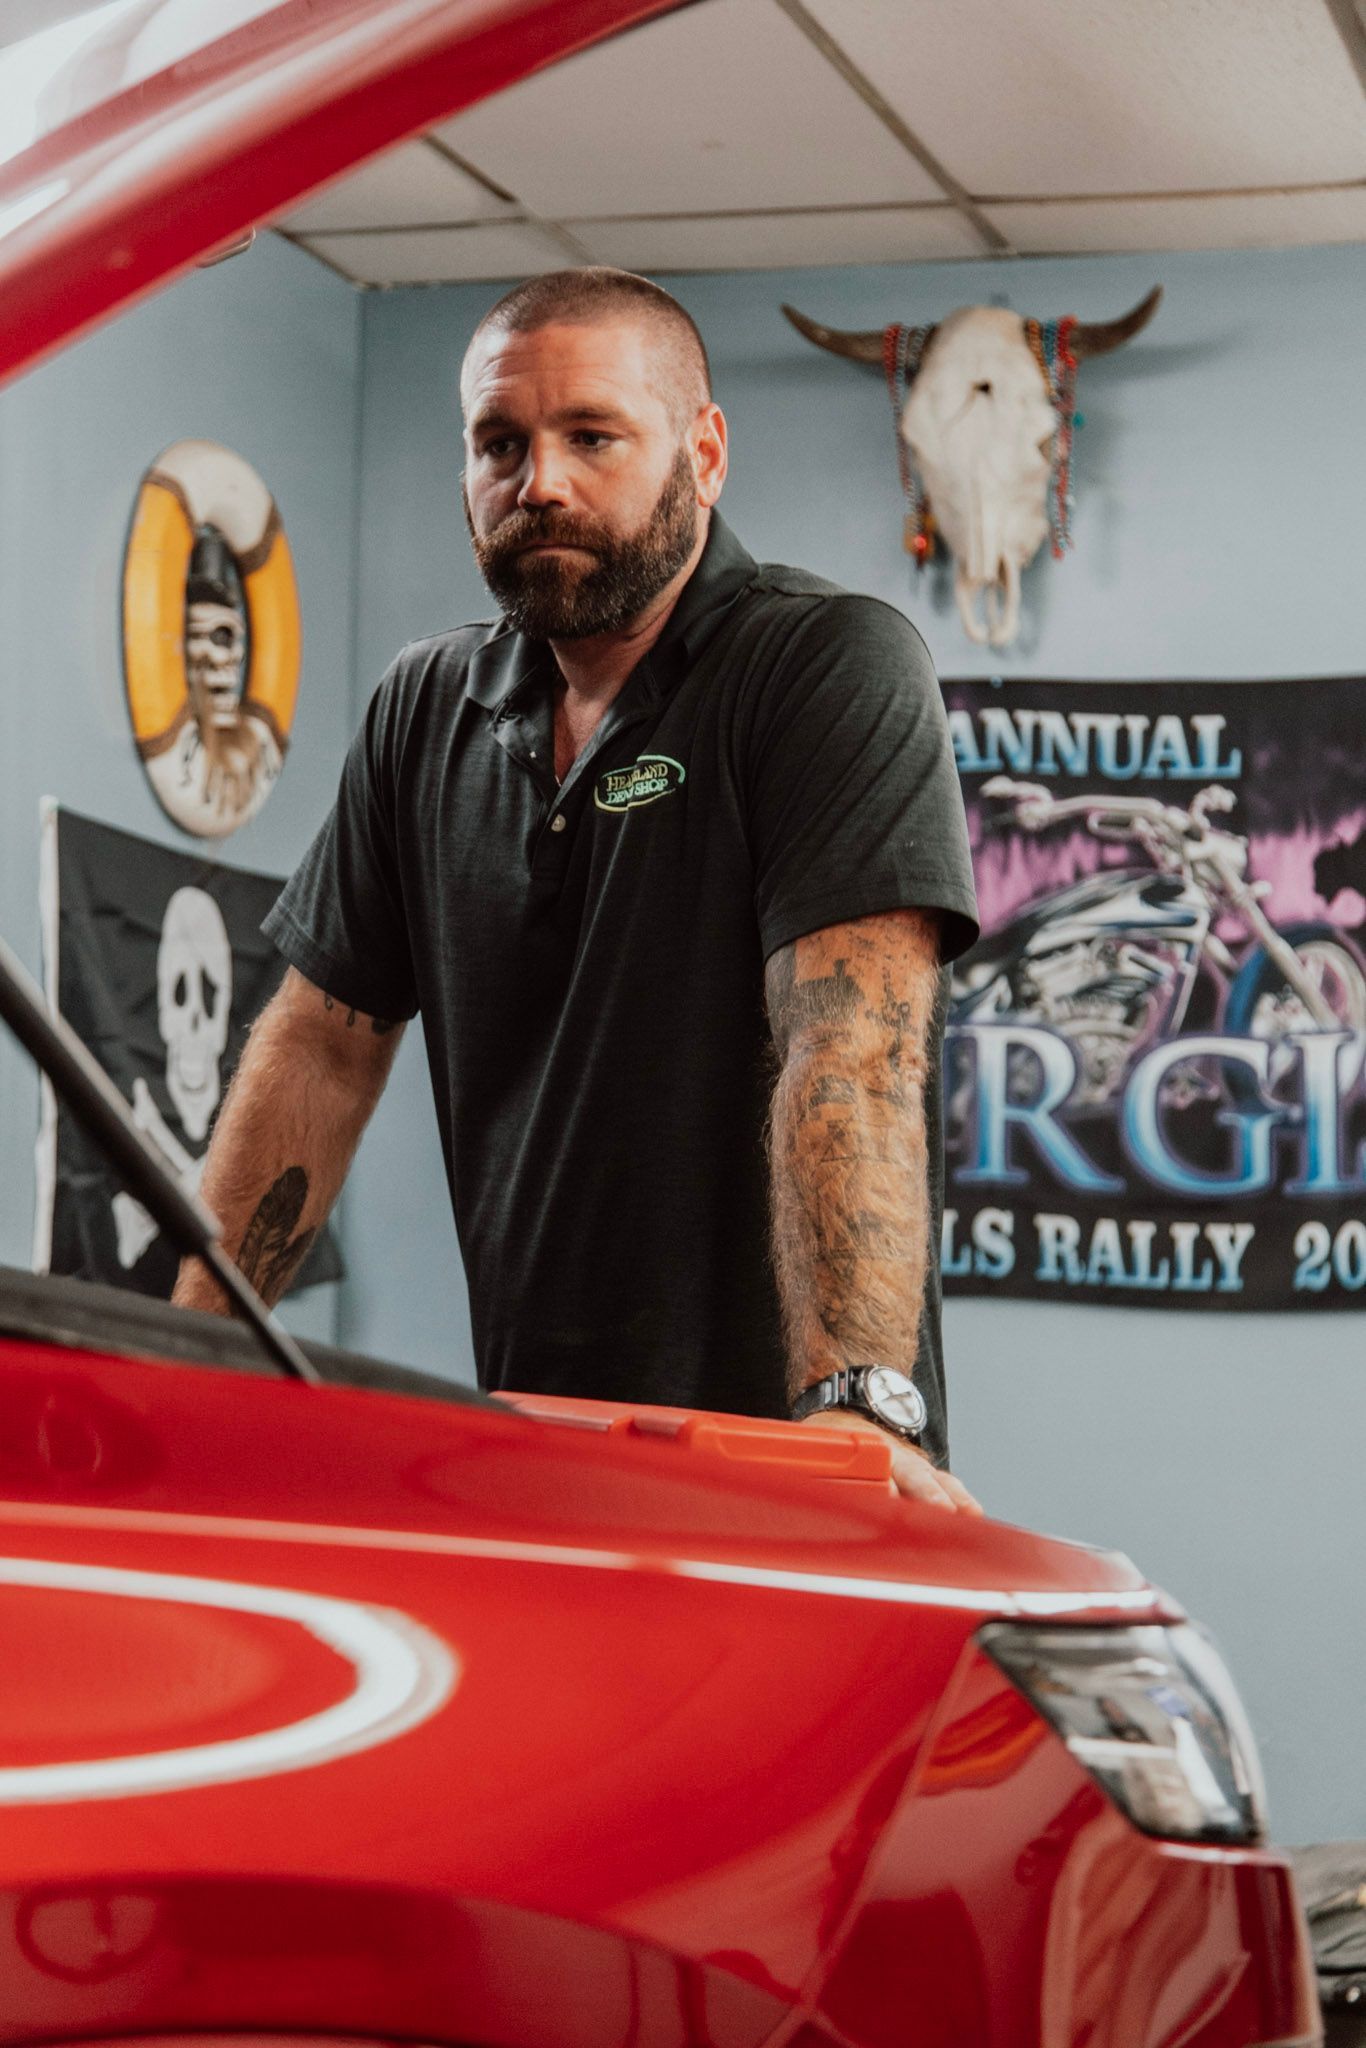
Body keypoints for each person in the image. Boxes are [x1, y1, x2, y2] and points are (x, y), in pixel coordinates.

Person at [173, 267, 982, 1512]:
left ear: (704, 455)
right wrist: (186, 1361)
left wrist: (855, 1409)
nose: (537, 480)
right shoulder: (423, 710)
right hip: (538, 1438)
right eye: (499, 442)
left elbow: (850, 1049)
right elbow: (319, 1053)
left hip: (794, 1472)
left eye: (591, 434)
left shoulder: (822, 665)